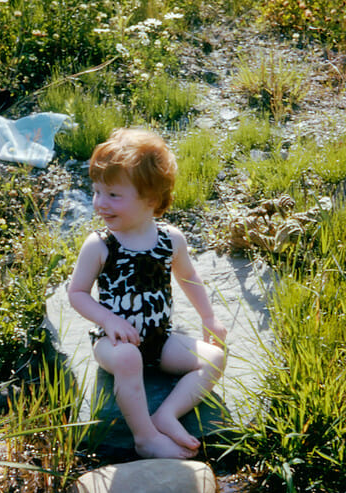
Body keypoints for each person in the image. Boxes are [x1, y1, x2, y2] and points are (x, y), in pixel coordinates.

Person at [68, 128, 227, 460]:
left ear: (151, 199)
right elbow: (78, 293)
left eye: (113, 195)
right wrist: (107, 320)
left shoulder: (170, 239)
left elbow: (189, 277)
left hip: (159, 339)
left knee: (214, 358)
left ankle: (166, 415)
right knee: (128, 359)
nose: (100, 203)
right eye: (96, 191)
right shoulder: (101, 244)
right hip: (114, 344)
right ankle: (145, 437)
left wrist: (209, 317)